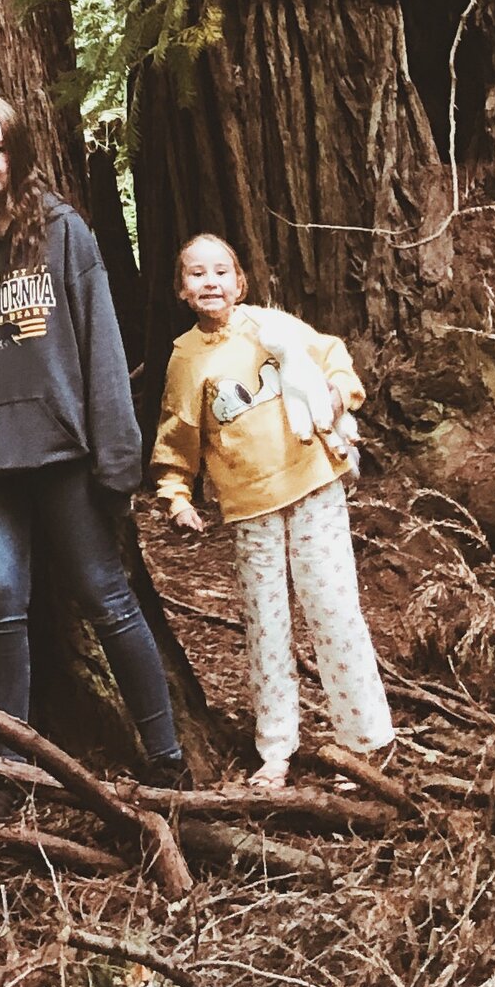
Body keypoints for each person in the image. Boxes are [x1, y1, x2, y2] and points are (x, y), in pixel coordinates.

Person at [0, 98, 185, 793]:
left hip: (64, 454)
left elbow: (101, 342)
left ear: (19, 154)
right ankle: (9, 770)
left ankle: (166, 755)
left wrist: (118, 456)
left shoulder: (64, 232)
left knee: (106, 595)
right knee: (0, 602)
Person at [151, 231, 394, 789]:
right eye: (196, 273)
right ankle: (278, 747)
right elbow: (178, 434)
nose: (209, 282)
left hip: (313, 484)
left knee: (333, 609)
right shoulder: (186, 358)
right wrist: (176, 495)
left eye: (220, 272)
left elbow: (330, 355)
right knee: (267, 625)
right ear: (182, 290)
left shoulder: (271, 327)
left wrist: (338, 391)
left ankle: (365, 741)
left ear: (240, 282)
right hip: (248, 508)